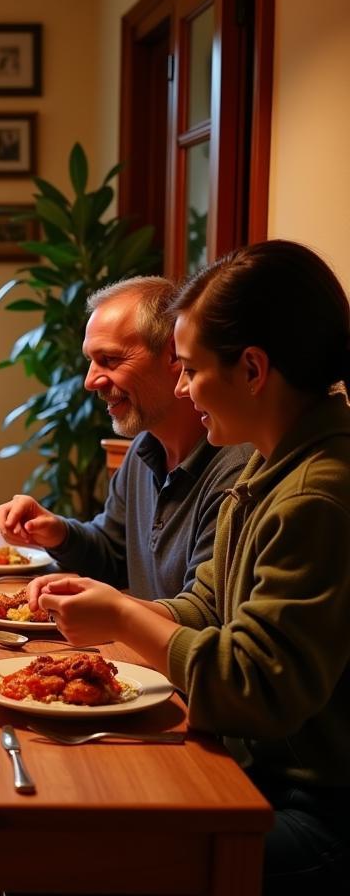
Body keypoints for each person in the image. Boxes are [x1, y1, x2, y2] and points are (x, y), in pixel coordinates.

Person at [28, 240, 350, 893]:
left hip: (315, 811)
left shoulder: (317, 493)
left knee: (67, 852)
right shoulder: (269, 465)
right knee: (55, 810)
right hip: (250, 772)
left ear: (254, 369)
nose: (182, 387)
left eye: (193, 369)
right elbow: (204, 608)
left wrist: (120, 613)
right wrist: (100, 604)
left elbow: (253, 692)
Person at [0, 277, 251, 599]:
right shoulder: (144, 449)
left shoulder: (237, 471)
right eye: (91, 360)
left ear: (175, 354)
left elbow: (201, 617)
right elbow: (113, 557)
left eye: (110, 360)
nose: (90, 381)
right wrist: (59, 533)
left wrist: (117, 612)